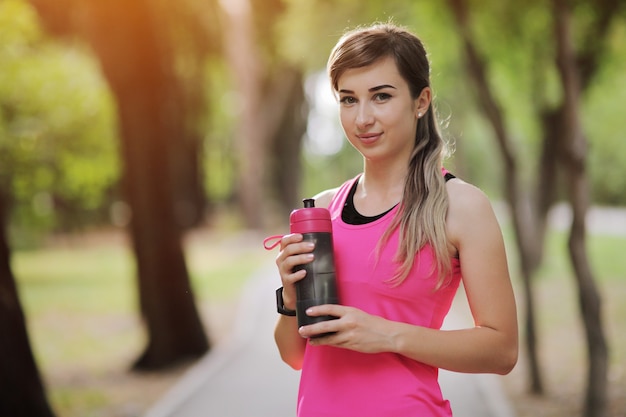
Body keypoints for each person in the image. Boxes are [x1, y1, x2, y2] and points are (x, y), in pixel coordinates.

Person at [272, 22, 518, 417]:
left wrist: (387, 335)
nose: (363, 118)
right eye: (348, 100)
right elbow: (295, 356)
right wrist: (288, 297)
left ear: (421, 101)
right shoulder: (322, 210)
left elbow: (502, 350)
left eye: (381, 96)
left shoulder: (462, 206)